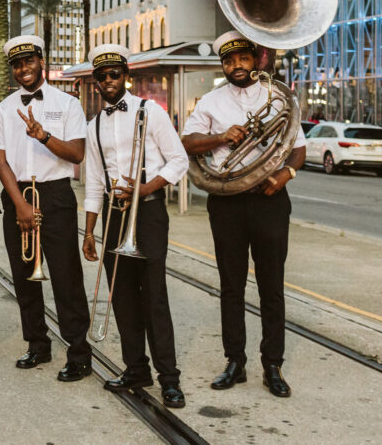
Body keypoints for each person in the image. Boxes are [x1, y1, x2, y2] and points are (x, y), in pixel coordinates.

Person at [182, 31, 306, 398]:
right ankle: (235, 361)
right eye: (228, 60)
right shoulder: (210, 101)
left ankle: (273, 365)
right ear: (223, 64)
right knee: (231, 286)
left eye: (242, 58)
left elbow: (296, 149)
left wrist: (285, 175)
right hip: (227, 203)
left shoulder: (278, 96)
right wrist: (222, 137)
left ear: (256, 59)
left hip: (270, 198)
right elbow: (187, 143)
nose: (235, 65)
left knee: (272, 286)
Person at [81, 44, 188, 409]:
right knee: (122, 298)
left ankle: (169, 380)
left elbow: (178, 161)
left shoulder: (150, 112)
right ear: (95, 82)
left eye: (114, 74)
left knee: (154, 297)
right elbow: (94, 181)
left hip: (150, 213)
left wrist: (145, 189)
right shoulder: (92, 126)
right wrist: (90, 231)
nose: (108, 81)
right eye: (102, 76)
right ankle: (136, 369)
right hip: (114, 215)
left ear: (125, 76)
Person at [0, 34, 92, 380]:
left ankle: (78, 352)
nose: (23, 69)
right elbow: (1, 162)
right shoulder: (3, 108)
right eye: (17, 64)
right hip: (18, 195)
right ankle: (37, 344)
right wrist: (19, 204)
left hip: (57, 194)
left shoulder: (69, 104)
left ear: (41, 61)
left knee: (66, 278)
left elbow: (77, 154)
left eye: (29, 61)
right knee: (24, 278)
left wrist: (43, 135)